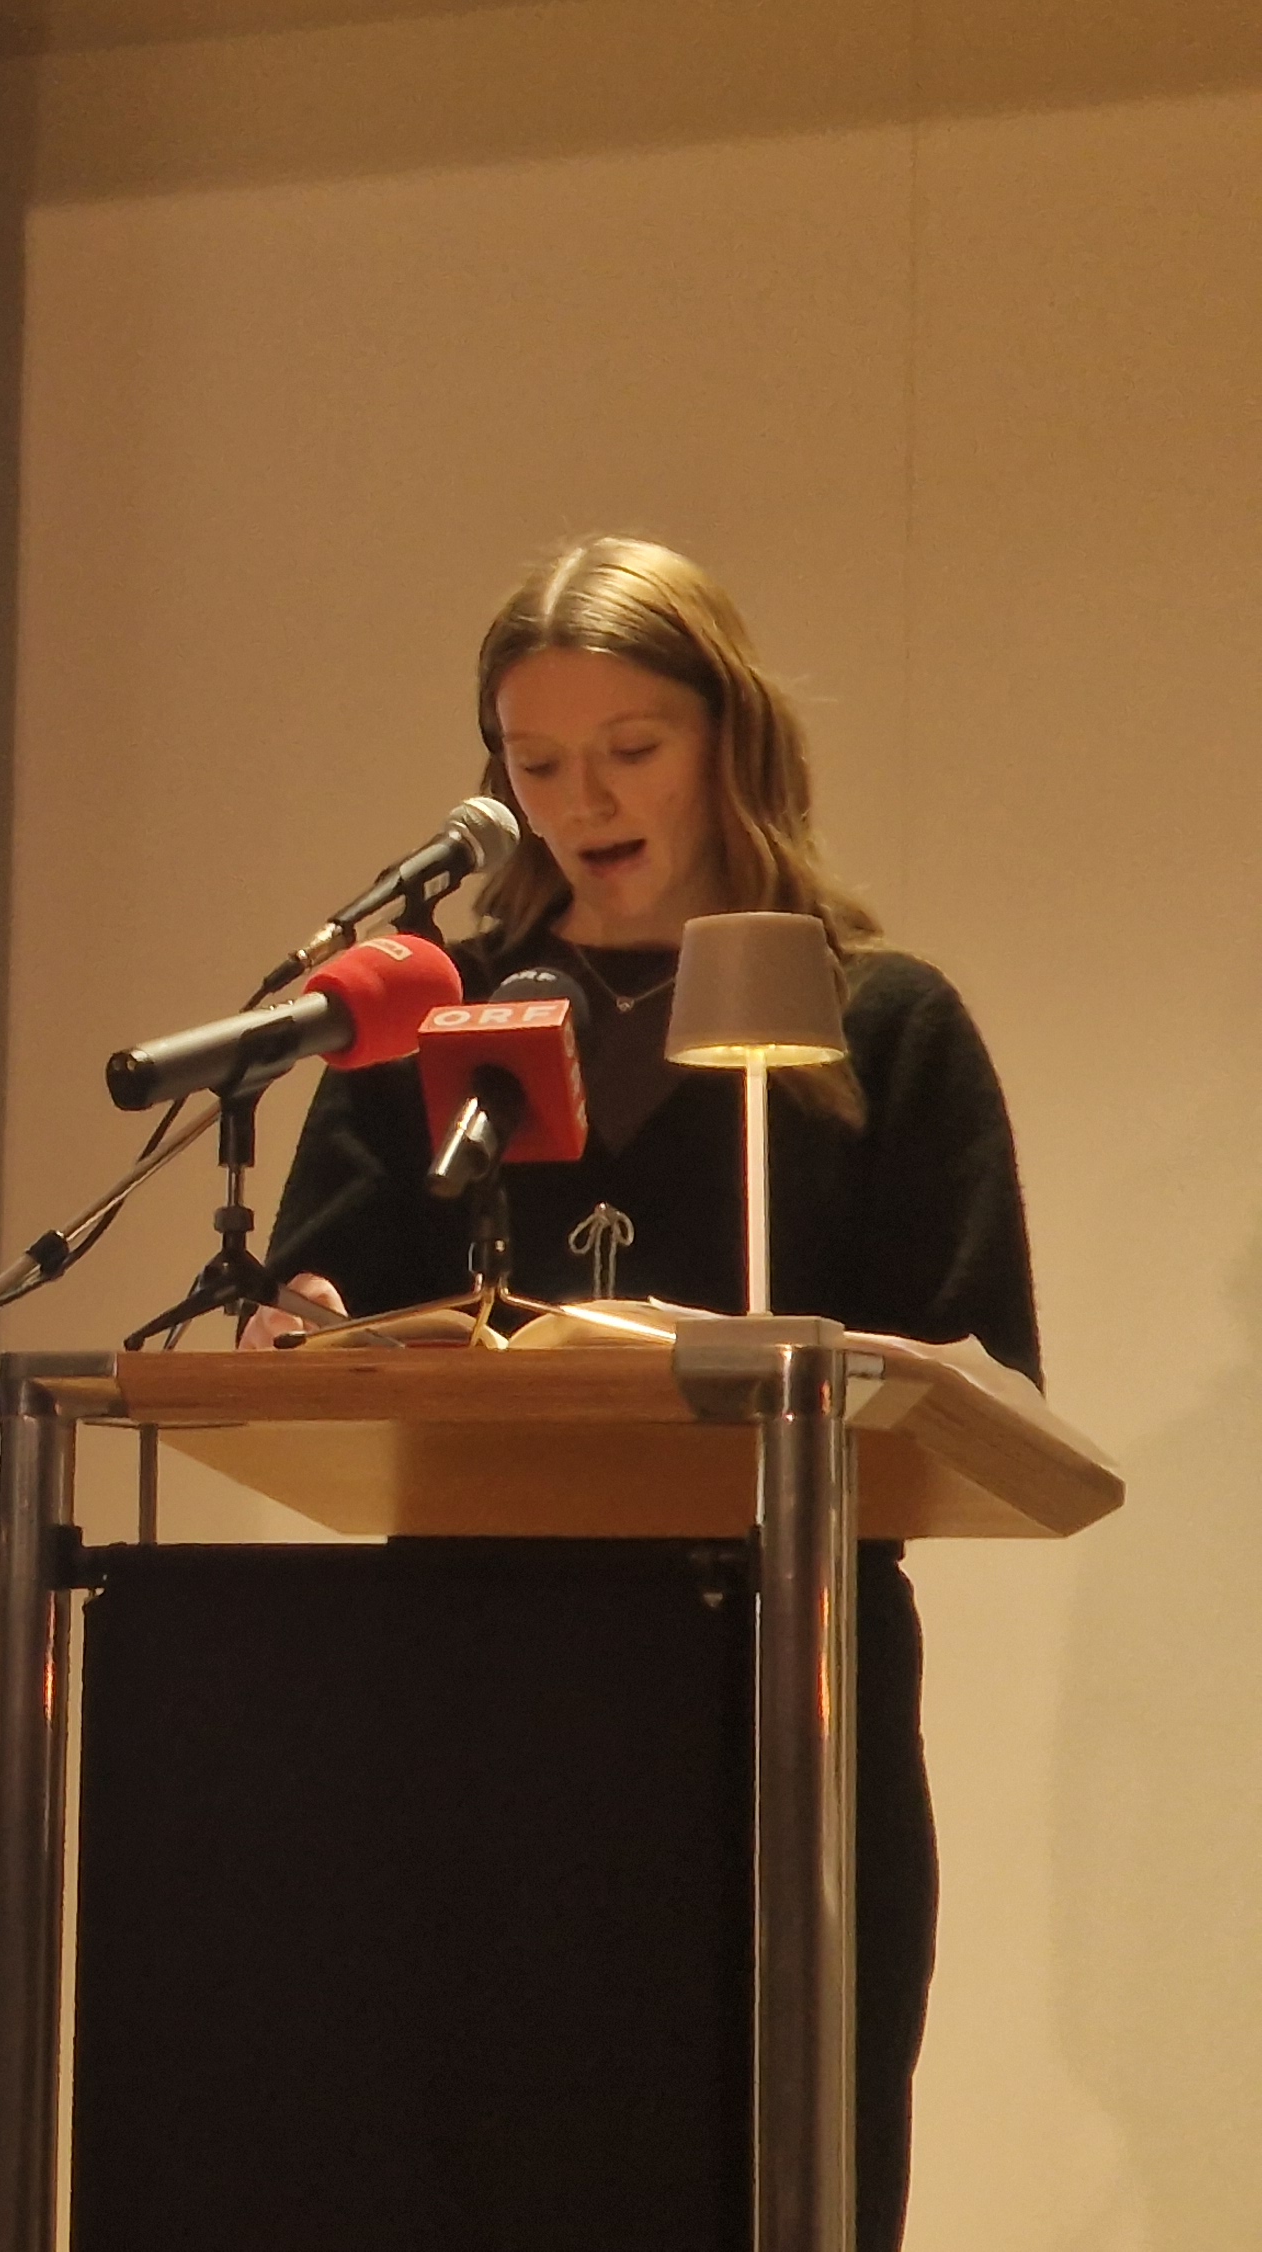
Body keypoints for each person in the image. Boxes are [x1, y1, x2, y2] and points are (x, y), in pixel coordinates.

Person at [229, 535, 1037, 2250]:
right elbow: (319, 1328)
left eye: (629, 748)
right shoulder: (434, 1022)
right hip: (476, 1699)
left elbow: (982, 1384)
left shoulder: (879, 1022)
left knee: (772, 2170)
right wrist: (302, 1331)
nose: (581, 799)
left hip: (777, 1709)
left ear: (729, 737)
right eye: (534, 763)